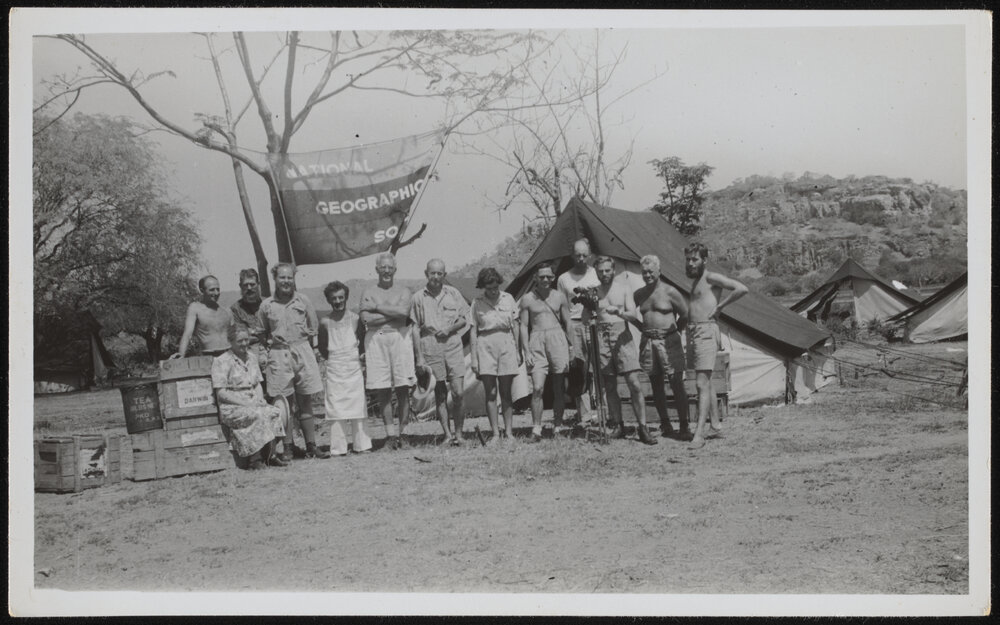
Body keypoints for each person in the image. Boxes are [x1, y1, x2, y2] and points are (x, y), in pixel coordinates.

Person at [258, 262, 328, 460]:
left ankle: (311, 446)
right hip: (279, 355)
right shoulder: (267, 305)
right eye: (282, 277)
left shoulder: (303, 301)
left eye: (289, 277)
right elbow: (262, 332)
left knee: (305, 400)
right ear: (275, 279)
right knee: (284, 404)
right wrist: (271, 346)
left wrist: (310, 353)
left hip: (302, 351)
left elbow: (313, 328)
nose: (286, 281)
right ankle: (288, 447)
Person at [585, 256, 657, 445]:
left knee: (634, 383)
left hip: (622, 335)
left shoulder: (624, 289)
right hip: (602, 336)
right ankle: (618, 425)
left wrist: (619, 313)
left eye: (607, 270)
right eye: (600, 271)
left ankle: (643, 427)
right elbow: (586, 317)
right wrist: (588, 306)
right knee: (609, 385)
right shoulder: (594, 292)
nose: (604, 274)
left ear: (613, 270)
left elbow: (633, 314)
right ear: (596, 272)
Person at [684, 242, 748, 449]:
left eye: (695, 259)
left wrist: (720, 306)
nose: (691, 263)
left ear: (704, 260)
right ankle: (715, 424)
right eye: (688, 259)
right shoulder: (695, 281)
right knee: (707, 381)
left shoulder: (711, 277)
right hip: (693, 332)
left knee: (701, 383)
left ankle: (699, 434)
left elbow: (741, 288)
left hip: (705, 331)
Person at [359, 252, 417, 451]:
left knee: (403, 387)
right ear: (376, 269)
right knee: (382, 388)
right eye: (382, 267)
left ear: (395, 269)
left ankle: (404, 433)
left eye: (389, 267)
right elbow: (366, 320)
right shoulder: (368, 290)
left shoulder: (403, 290)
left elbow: (404, 314)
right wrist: (392, 314)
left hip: (400, 337)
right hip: (376, 340)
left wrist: (377, 308)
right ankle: (390, 436)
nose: (386, 270)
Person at [410, 259, 470, 446]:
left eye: (439, 273)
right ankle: (447, 435)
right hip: (430, 345)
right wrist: (419, 357)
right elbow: (414, 329)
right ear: (426, 273)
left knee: (458, 392)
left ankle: (459, 435)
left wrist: (450, 329)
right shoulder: (418, 297)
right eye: (432, 273)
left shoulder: (453, 293)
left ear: (444, 274)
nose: (436, 277)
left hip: (452, 345)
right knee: (440, 393)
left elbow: (463, 319)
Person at [212, 325, 288, 470]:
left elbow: (258, 384)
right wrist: (245, 404)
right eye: (240, 341)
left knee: (275, 412)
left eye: (246, 340)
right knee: (257, 415)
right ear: (231, 341)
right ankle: (255, 460)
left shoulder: (252, 358)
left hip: (252, 401)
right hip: (232, 406)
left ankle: (270, 455)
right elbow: (221, 393)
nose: (245, 344)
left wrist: (259, 399)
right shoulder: (221, 361)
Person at [633, 254, 692, 441]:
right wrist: (640, 326)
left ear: (659, 271)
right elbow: (630, 312)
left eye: (651, 271)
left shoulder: (670, 292)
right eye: (644, 272)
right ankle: (665, 424)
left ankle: (684, 426)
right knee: (656, 384)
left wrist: (675, 333)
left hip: (668, 341)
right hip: (648, 341)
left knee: (676, 382)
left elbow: (685, 314)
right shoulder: (639, 294)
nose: (648, 275)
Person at [317, 281, 372, 456]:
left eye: (341, 297)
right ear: (329, 300)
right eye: (334, 298)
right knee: (336, 408)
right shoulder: (325, 322)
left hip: (353, 367)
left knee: (358, 406)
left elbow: (362, 343)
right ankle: (338, 448)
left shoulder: (355, 319)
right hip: (334, 368)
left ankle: (361, 445)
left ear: (346, 298)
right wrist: (335, 360)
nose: (338, 301)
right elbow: (323, 348)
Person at [519, 262, 572, 442]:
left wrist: (572, 347)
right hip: (536, 341)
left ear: (554, 277)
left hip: (557, 340)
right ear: (535, 278)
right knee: (537, 387)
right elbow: (524, 326)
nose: (545, 280)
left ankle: (557, 428)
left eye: (549, 277)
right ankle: (536, 429)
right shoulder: (527, 299)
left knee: (559, 387)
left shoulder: (559, 297)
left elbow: (568, 323)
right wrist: (526, 351)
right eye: (541, 277)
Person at [468, 267, 521, 442]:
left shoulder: (508, 299)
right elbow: (473, 332)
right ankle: (496, 433)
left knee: (506, 392)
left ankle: (509, 432)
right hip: (485, 346)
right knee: (490, 393)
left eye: (495, 287)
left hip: (506, 344)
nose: (492, 291)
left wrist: (518, 351)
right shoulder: (477, 303)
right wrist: (474, 359)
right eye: (488, 288)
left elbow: (516, 326)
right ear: (482, 286)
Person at [556, 238, 600, 426]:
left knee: (599, 367)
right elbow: (562, 307)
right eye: (577, 255)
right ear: (572, 255)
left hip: (594, 323)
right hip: (574, 325)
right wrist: (567, 335)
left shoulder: (597, 273)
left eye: (584, 255)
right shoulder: (563, 279)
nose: (581, 258)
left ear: (589, 255)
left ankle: (604, 412)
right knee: (579, 370)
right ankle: (585, 415)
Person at [172, 275, 232, 358]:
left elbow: (235, 334)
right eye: (212, 290)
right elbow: (187, 334)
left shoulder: (226, 310)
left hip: (229, 355)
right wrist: (181, 354)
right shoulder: (195, 308)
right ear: (202, 290)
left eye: (218, 289)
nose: (216, 293)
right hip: (209, 358)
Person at [230, 268, 268, 376]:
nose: (249, 288)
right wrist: (262, 333)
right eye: (245, 285)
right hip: (249, 351)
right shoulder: (235, 309)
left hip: (271, 348)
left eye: (252, 284)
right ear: (240, 286)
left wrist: (252, 331)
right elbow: (242, 337)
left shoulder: (268, 303)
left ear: (258, 284)